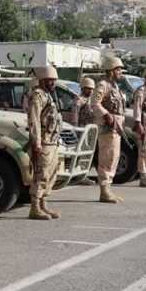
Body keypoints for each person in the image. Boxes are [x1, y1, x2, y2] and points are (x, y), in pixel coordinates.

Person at [26, 66, 62, 219]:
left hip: (52, 141)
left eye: (54, 80)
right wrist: (37, 143)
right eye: (49, 80)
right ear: (42, 80)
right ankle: (35, 206)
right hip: (44, 142)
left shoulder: (49, 95)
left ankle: (43, 204)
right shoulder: (38, 96)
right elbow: (34, 120)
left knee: (51, 173)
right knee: (41, 174)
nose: (53, 83)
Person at [91, 55, 126, 204]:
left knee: (114, 157)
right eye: (118, 69)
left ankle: (108, 189)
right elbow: (94, 103)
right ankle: (104, 191)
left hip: (116, 126)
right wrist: (106, 115)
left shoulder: (115, 86)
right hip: (107, 126)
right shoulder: (103, 85)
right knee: (107, 157)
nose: (120, 72)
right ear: (111, 70)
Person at [70, 77, 96, 186]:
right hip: (82, 129)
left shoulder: (92, 100)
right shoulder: (78, 100)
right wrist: (76, 129)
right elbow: (74, 115)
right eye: (87, 89)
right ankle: (79, 176)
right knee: (81, 154)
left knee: (88, 154)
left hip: (91, 130)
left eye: (91, 89)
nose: (90, 91)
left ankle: (83, 174)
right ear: (83, 88)